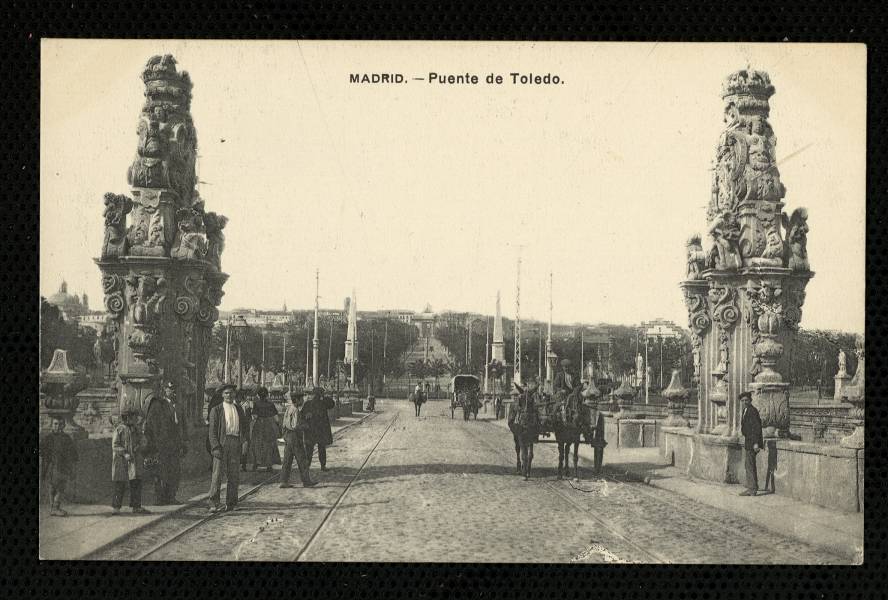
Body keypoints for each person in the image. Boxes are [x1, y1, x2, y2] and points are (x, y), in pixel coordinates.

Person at [207, 384, 248, 512]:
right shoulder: (217, 410)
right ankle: (214, 502)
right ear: (222, 395)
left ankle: (231, 502)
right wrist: (215, 447)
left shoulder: (238, 409)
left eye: (231, 393)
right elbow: (212, 432)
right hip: (222, 444)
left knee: (234, 475)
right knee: (217, 474)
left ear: (234, 394)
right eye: (226, 393)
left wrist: (244, 442)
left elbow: (244, 427)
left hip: (235, 442)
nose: (229, 395)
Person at [144, 381, 186, 505]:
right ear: (164, 390)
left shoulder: (178, 405)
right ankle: (160, 498)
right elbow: (151, 425)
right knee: (161, 472)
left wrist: (183, 442)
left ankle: (171, 496)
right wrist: (154, 443)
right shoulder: (158, 404)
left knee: (174, 471)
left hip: (174, 445)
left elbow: (182, 425)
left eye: (174, 389)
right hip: (161, 445)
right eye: (170, 389)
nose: (172, 392)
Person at [111, 408, 151, 515]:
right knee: (120, 483)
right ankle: (116, 507)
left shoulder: (136, 429)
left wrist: (139, 446)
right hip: (121, 460)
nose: (135, 419)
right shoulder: (119, 429)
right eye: (133, 417)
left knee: (136, 482)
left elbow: (144, 440)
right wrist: (124, 453)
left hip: (134, 460)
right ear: (127, 418)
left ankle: (136, 506)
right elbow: (115, 445)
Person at [40, 416, 78, 517]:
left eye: (60, 424)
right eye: (55, 424)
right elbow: (44, 455)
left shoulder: (67, 439)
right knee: (52, 487)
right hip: (51, 466)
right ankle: (53, 507)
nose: (58, 426)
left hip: (63, 467)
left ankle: (55, 507)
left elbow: (73, 456)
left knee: (61, 487)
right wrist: (44, 470)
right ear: (52, 425)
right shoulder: (47, 439)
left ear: (64, 425)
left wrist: (72, 469)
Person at [279, 391, 316, 488]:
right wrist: (306, 424)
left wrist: (285, 436)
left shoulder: (288, 409)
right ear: (297, 400)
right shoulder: (295, 410)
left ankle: (283, 481)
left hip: (288, 436)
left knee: (287, 460)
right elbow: (296, 425)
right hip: (295, 437)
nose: (303, 401)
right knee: (302, 460)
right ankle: (306, 481)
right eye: (301, 399)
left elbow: (283, 424)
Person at [249, 386, 281, 472]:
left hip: (259, 425)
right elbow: (276, 418)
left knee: (257, 444)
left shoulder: (256, 404)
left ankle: (256, 463)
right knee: (269, 445)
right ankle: (269, 465)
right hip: (268, 425)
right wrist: (277, 426)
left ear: (259, 395)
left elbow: (254, 416)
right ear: (267, 395)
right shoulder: (271, 404)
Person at [304, 387, 335, 471]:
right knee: (321, 448)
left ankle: (307, 466)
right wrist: (324, 396)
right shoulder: (323, 403)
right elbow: (332, 404)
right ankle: (322, 466)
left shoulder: (308, 403)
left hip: (311, 430)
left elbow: (302, 415)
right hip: (321, 430)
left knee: (309, 449)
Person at [739, 391, 763, 496]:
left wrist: (756, 443)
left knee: (749, 465)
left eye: (746, 400)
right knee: (749, 464)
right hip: (748, 440)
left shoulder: (752, 411)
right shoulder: (745, 410)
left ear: (750, 400)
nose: (744, 402)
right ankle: (753, 486)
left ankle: (752, 489)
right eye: (743, 400)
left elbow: (756, 428)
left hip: (752, 442)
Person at [237, 390, 254, 471]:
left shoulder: (245, 405)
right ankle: (242, 464)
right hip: (241, 427)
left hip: (244, 427)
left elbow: (248, 417)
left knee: (244, 446)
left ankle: (243, 464)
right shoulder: (241, 405)